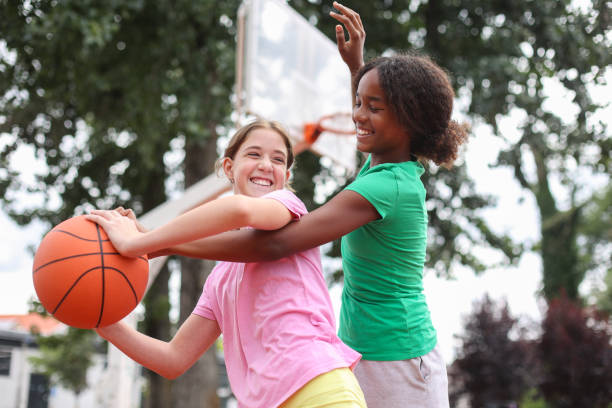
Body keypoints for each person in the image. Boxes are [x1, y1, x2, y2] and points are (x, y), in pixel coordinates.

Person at [142, 3, 468, 407]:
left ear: (408, 122)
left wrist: (162, 243)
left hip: (401, 359)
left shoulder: (389, 186)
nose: (358, 115)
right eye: (359, 103)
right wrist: (358, 68)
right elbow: (379, 114)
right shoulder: (384, 163)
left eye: (373, 108)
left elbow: (276, 244)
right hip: (360, 351)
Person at [86, 119, 366, 408]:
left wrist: (142, 241)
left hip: (318, 387)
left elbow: (239, 210)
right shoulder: (221, 278)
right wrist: (103, 322)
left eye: (278, 159)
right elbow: (174, 359)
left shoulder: (288, 207)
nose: (267, 165)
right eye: (254, 154)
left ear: (286, 175)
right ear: (229, 167)